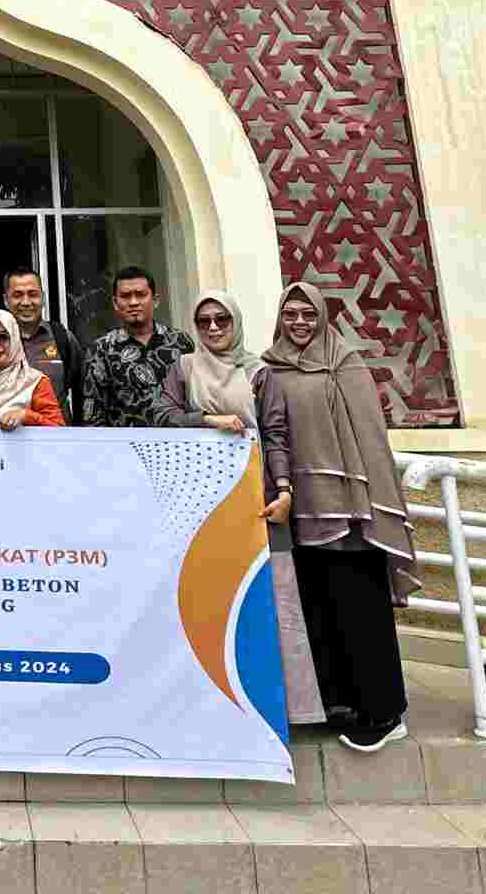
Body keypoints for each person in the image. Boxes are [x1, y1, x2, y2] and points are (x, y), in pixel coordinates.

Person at [154, 290, 325, 725]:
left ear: (235, 322)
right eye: (204, 321)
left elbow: (276, 434)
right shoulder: (184, 369)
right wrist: (207, 421)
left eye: (222, 320)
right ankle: (207, 708)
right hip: (201, 506)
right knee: (206, 601)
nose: (213, 328)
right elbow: (161, 414)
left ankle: (286, 710)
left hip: (257, 501)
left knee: (270, 601)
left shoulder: (259, 373)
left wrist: (283, 492)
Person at [263, 281, 420, 754]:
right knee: (322, 610)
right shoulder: (270, 369)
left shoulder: (344, 364)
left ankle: (385, 712)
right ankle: (342, 704)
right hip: (302, 513)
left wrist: (368, 503)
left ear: (322, 317)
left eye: (308, 314)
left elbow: (370, 439)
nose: (299, 323)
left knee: (362, 612)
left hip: (351, 514)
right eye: (290, 314)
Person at [82, 265, 192, 428]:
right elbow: (92, 415)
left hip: (176, 441)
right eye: (125, 296)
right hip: (124, 443)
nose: (133, 302)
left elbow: (195, 399)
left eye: (140, 295)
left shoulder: (180, 342)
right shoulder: (102, 349)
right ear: (115, 303)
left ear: (155, 300)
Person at [2, 267, 84, 424]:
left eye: (33, 294)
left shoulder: (63, 338)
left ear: (43, 298)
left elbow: (83, 393)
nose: (26, 302)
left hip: (55, 435)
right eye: (17, 295)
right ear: (6, 300)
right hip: (9, 435)